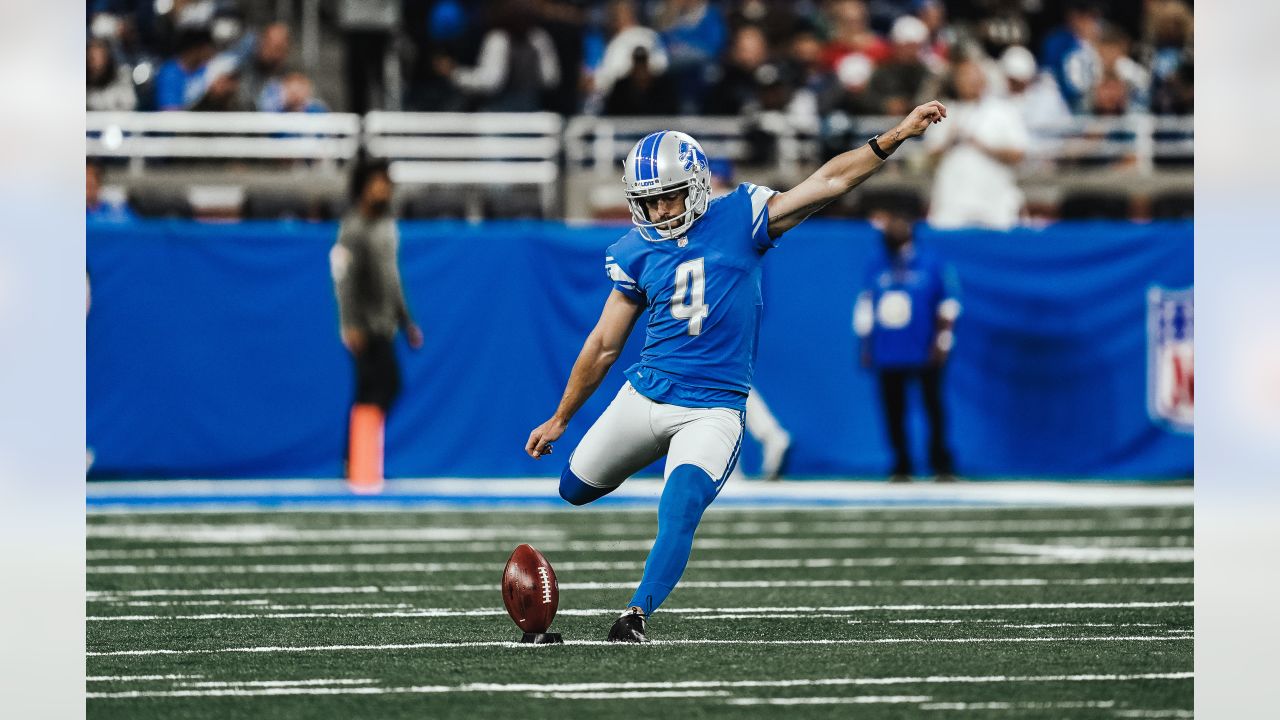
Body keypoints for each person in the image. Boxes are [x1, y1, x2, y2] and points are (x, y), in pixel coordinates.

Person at [526, 100, 948, 641]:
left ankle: (635, 615)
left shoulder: (742, 215)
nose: (658, 213)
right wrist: (562, 416)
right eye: (647, 203)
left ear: (698, 183)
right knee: (574, 489)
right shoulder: (634, 250)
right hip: (646, 393)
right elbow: (605, 343)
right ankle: (649, 453)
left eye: (667, 198)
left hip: (712, 409)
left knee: (679, 504)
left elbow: (829, 181)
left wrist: (896, 136)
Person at [330, 159, 424, 493]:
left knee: (381, 388)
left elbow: (393, 279)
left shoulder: (386, 224)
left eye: (385, 182)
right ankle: (356, 462)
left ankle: (362, 460)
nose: (382, 189)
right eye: (376, 182)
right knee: (372, 389)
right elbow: (345, 280)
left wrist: (406, 321)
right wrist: (350, 323)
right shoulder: (353, 226)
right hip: (364, 324)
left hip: (385, 323)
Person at [854, 207, 960, 482]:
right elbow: (866, 304)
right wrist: (866, 344)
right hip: (888, 349)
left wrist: (943, 341)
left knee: (933, 408)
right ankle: (901, 464)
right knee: (893, 411)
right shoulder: (877, 263)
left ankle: (941, 464)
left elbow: (948, 305)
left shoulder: (931, 262)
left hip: (924, 347)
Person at [925, 59, 1028, 230]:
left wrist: (983, 146)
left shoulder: (1004, 111)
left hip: (994, 201)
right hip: (953, 202)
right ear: (956, 82)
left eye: (974, 76)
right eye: (964, 77)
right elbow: (930, 158)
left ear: (984, 80)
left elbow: (1018, 154)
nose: (970, 81)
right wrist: (950, 139)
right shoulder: (943, 111)